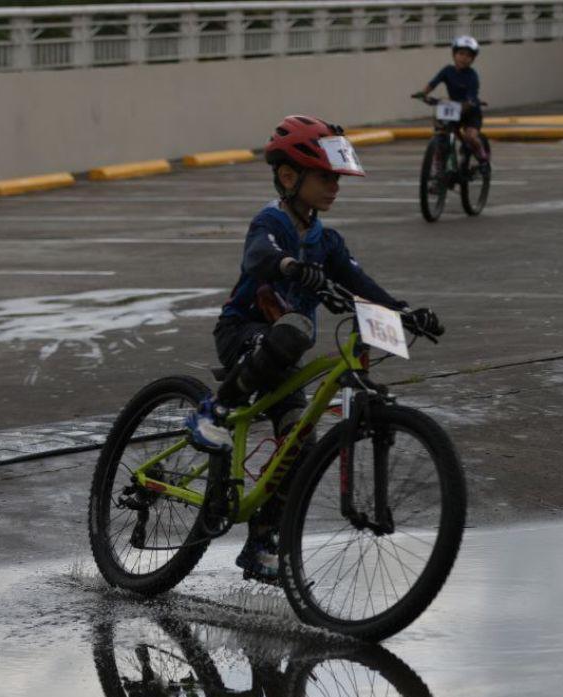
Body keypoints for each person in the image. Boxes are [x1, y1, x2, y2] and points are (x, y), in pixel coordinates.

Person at [185, 114, 442, 580]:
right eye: (326, 177)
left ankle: (262, 541)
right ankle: (212, 410)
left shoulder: (327, 241)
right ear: (289, 176)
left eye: (337, 178)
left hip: (282, 357)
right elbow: (257, 256)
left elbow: (361, 283)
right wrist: (287, 265)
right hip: (244, 334)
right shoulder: (272, 220)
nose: (335, 187)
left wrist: (404, 312)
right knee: (298, 328)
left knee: (299, 446)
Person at [415, 34, 490, 172]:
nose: (464, 58)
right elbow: (433, 83)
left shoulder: (472, 76)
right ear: (454, 54)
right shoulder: (447, 71)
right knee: (441, 133)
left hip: (470, 112)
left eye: (468, 56)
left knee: (470, 137)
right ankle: (439, 169)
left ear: (473, 59)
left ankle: (483, 158)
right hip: (454, 110)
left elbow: (471, 97)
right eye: (461, 53)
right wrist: (423, 94)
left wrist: (467, 104)